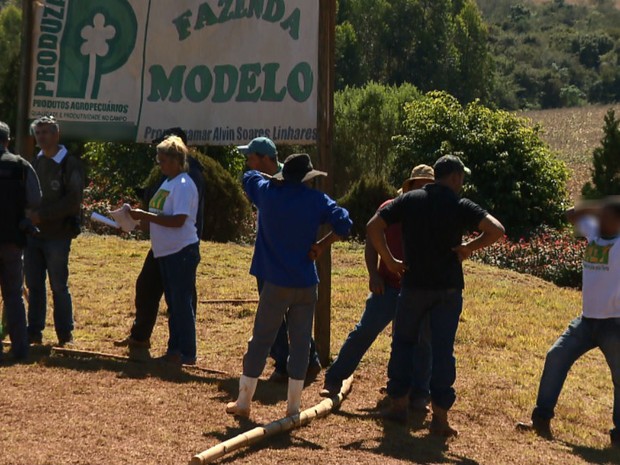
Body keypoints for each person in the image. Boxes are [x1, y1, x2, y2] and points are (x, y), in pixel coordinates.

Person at [367, 154, 504, 435]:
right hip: (448, 289)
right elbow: (496, 230)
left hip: (414, 286)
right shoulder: (460, 204)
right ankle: (440, 419)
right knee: (442, 350)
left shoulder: (410, 200)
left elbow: (373, 227)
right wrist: (469, 247)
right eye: (461, 178)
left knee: (403, 343)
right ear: (454, 177)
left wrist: (390, 260)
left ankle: (398, 407)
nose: (462, 183)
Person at [226, 153, 352, 418]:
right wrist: (321, 245)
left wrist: (272, 180)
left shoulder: (268, 194)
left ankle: (244, 402)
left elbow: (247, 176)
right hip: (306, 283)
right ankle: (293, 407)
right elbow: (344, 222)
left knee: (261, 339)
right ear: (307, 177)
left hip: (276, 282)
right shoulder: (316, 199)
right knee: (301, 344)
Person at [320, 165, 435, 412]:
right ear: (410, 187)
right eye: (421, 184)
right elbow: (372, 241)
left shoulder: (435, 213)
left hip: (420, 290)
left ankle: (419, 394)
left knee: (423, 341)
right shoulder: (390, 209)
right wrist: (374, 274)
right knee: (364, 332)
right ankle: (334, 378)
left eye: (430, 185)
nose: (425, 189)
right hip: (388, 287)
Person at [517, 198, 620, 449]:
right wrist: (597, 206)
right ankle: (541, 419)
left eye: (606, 215)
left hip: (614, 324)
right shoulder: (594, 232)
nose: (599, 219)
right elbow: (570, 214)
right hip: (586, 320)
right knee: (556, 356)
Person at [238, 137, 322, 383]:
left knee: (277, 318)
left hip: (278, 262)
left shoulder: (288, 179)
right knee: (291, 318)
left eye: (251, 157)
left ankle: (291, 366)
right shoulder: (278, 178)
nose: (248, 162)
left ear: (264, 158)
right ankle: (306, 362)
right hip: (273, 258)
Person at [115, 128, 205, 349]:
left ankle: (183, 352)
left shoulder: (185, 182)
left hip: (180, 250)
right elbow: (160, 215)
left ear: (176, 159)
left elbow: (178, 220)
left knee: (179, 303)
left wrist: (145, 216)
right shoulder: (168, 180)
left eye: (163, 160)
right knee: (151, 290)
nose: (159, 164)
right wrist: (133, 222)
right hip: (164, 249)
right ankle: (143, 338)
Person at [25, 116, 84, 346]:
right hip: (34, 236)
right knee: (34, 285)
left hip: (58, 236)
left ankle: (65, 333)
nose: (41, 137)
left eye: (46, 132)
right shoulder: (35, 162)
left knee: (59, 285)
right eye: (38, 133)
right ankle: (34, 332)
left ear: (56, 134)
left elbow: (73, 200)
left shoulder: (69, 163)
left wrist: (42, 215)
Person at [0, 121, 41, 361]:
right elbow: (35, 199)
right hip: (13, 240)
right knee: (13, 295)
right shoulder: (21, 166)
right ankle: (20, 348)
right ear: (8, 140)